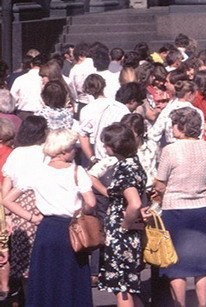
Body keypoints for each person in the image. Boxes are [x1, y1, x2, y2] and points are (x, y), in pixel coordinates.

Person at [2, 128, 96, 306]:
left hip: (47, 229)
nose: (75, 150)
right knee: (71, 280)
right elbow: (90, 203)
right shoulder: (77, 172)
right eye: (72, 147)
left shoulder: (37, 172)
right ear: (63, 150)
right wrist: (82, 211)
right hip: (71, 229)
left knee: (47, 280)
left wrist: (32, 218)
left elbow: (7, 200)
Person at [154, 107, 206, 307]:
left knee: (176, 264)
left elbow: (160, 182)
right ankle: (203, 304)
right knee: (201, 263)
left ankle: (180, 304)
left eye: (173, 124)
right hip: (201, 207)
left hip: (175, 209)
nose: (171, 128)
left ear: (181, 126)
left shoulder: (170, 150)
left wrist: (159, 192)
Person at [93, 123, 147, 306]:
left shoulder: (125, 168)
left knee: (121, 288)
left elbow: (134, 203)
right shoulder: (134, 164)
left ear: (114, 147)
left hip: (121, 235)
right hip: (131, 235)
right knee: (130, 286)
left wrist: (124, 226)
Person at [1, 116, 47, 293]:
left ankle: (29, 298)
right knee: (42, 260)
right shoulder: (46, 152)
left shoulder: (17, 153)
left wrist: (8, 215)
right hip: (42, 204)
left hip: (19, 206)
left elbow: (7, 185)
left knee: (23, 259)